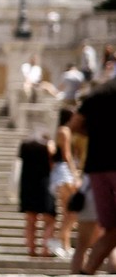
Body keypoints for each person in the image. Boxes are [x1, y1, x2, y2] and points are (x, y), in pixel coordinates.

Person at [70, 78, 116, 275]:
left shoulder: (97, 93)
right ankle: (88, 270)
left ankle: (87, 271)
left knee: (111, 228)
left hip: (96, 168)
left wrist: (96, 133)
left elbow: (74, 124)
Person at [16, 133, 56, 257]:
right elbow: (52, 161)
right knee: (50, 219)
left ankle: (31, 249)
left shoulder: (25, 146)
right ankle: (46, 248)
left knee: (30, 219)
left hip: (27, 184)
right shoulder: (47, 145)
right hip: (44, 183)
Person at [47, 108, 80, 258]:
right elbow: (66, 155)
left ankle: (65, 245)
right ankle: (58, 239)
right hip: (64, 171)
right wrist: (75, 173)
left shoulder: (59, 130)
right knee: (74, 209)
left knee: (67, 210)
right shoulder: (65, 130)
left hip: (59, 171)